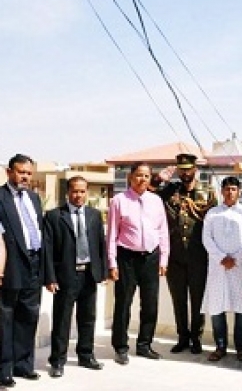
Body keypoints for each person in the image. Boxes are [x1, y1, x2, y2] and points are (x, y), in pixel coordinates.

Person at [43, 176, 108, 378]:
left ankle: (86, 355)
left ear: (87, 193)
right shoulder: (54, 216)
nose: (78, 195)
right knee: (62, 319)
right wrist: (50, 278)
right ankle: (57, 361)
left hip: (89, 273)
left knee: (88, 318)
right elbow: (48, 249)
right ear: (67, 193)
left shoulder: (94, 215)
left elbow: (100, 245)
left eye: (82, 191)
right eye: (74, 191)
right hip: (66, 275)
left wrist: (103, 271)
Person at [152, 153, 217, 354]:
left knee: (197, 299)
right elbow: (147, 194)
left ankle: (196, 339)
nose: (185, 173)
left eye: (188, 169)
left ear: (195, 169)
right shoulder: (170, 190)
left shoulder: (208, 192)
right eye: (181, 169)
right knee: (178, 298)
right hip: (175, 255)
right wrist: (158, 179)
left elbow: (214, 222)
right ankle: (182, 337)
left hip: (199, 255)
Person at [106, 161, 170, 365]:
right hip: (127, 258)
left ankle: (144, 345)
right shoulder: (119, 200)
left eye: (146, 176)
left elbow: (163, 231)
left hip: (151, 258)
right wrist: (112, 263)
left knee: (150, 304)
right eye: (139, 175)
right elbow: (112, 234)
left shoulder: (156, 201)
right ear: (130, 177)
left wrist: (164, 258)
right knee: (123, 303)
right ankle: (121, 347)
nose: (143, 180)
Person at [201, 176, 242, 362]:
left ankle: (241, 347)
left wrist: (236, 258)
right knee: (217, 307)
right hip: (218, 268)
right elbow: (206, 239)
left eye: (233, 189)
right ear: (222, 191)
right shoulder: (212, 213)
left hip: (238, 267)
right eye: (227, 189)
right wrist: (221, 258)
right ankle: (220, 346)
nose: (230, 192)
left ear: (239, 192)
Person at [0, 153, 45, 387]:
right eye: (21, 172)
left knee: (29, 315)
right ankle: (4, 369)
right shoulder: (0, 197)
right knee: (5, 317)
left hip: (34, 263)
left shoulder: (34, 198)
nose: (25, 177)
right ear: (9, 172)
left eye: (28, 172)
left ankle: (23, 365)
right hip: (10, 263)